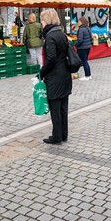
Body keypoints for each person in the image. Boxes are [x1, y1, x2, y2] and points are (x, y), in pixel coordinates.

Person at [39, 9, 72, 145]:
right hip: (64, 75)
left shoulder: (51, 37)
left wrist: (41, 73)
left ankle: (56, 136)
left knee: (55, 108)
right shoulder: (61, 34)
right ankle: (63, 134)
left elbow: (51, 59)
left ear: (47, 20)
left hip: (55, 77)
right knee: (63, 107)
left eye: (42, 20)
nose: (41, 23)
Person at [74, 16, 92, 81]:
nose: (78, 22)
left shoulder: (81, 29)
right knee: (85, 61)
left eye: (78, 21)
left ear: (81, 22)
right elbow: (90, 37)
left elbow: (80, 40)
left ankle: (87, 76)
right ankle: (89, 75)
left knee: (84, 62)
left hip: (82, 48)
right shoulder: (87, 28)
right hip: (88, 47)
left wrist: (75, 45)